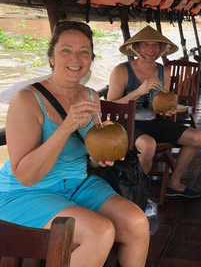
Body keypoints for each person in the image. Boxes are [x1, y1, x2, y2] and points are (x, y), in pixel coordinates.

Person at [0, 21, 150, 267]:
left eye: (84, 51)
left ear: (91, 58)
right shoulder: (26, 99)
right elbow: (26, 176)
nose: (75, 58)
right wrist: (67, 126)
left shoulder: (91, 96)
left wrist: (98, 158)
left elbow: (86, 154)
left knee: (136, 222)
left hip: (77, 184)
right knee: (99, 232)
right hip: (26, 192)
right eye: (66, 50)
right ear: (51, 56)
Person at [107, 25, 201, 198]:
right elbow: (111, 106)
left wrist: (168, 109)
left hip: (153, 121)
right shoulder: (121, 70)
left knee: (196, 138)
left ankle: (174, 183)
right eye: (146, 45)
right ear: (136, 48)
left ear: (161, 49)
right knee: (148, 145)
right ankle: (138, 192)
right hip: (126, 123)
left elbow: (162, 102)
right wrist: (138, 91)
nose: (151, 49)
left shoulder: (163, 71)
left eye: (155, 45)